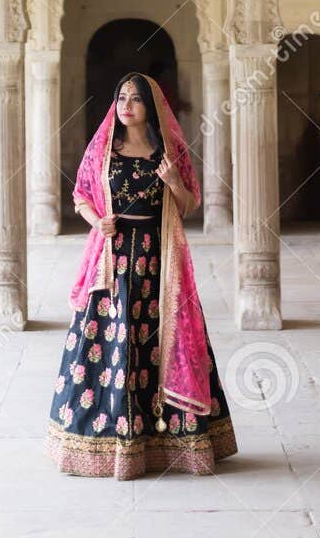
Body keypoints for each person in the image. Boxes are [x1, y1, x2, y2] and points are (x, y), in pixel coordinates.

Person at [46, 72, 237, 478]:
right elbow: (81, 196)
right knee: (111, 344)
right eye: (121, 98)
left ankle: (172, 445)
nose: (126, 105)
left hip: (157, 261)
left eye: (136, 99)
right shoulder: (104, 152)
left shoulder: (167, 154)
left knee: (160, 341)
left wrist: (172, 182)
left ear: (151, 107)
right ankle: (106, 443)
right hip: (112, 263)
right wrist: (98, 222)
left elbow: (187, 206)